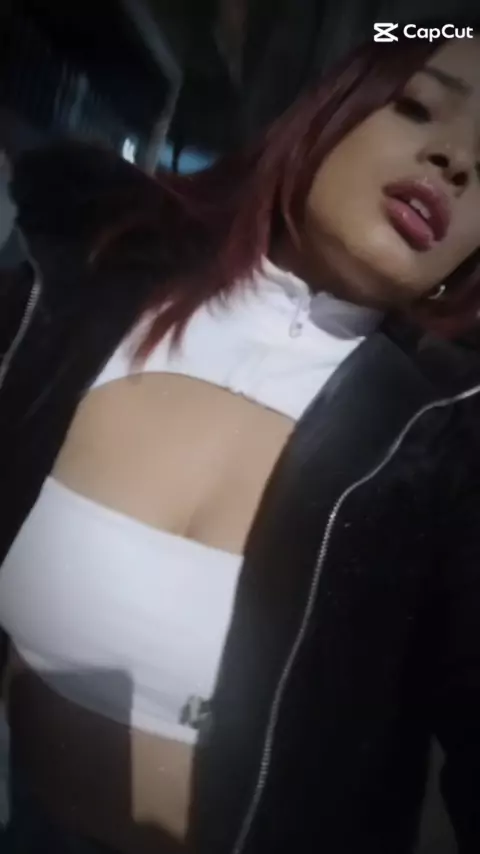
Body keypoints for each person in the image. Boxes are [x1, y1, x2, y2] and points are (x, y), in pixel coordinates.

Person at [0, 21, 480, 854]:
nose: (457, 162)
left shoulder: (449, 446)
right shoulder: (75, 285)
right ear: (327, 113)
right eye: (417, 107)